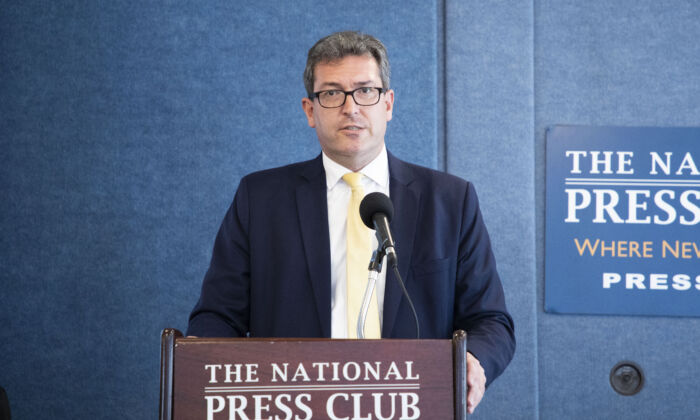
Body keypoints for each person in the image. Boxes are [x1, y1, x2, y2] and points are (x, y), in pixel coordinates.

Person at [187, 31, 515, 414]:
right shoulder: (260, 199)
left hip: (411, 406)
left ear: (388, 104)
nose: (351, 107)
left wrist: (474, 360)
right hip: (293, 408)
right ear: (310, 111)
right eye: (332, 93)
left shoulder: (450, 201)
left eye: (365, 91)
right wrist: (203, 366)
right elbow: (217, 316)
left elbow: (491, 321)